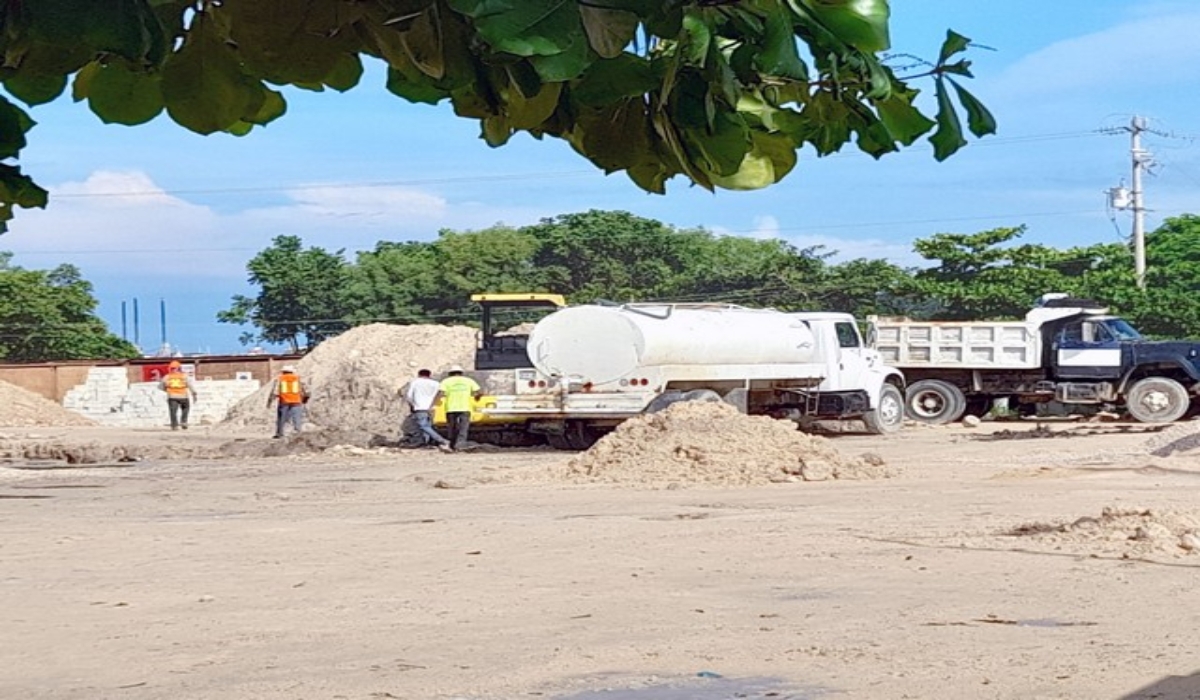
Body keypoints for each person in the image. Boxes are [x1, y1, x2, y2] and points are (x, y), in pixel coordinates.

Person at [401, 369, 452, 452]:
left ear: (419, 374)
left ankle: (442, 441)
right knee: (428, 426)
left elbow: (409, 396)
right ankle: (426, 443)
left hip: (420, 407)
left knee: (423, 426)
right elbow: (442, 394)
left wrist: (412, 405)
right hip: (433, 408)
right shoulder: (436, 383)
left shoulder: (415, 382)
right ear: (429, 375)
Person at [438, 364, 482, 451]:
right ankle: (460, 444)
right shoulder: (469, 381)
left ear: (450, 373)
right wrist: (476, 398)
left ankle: (452, 444)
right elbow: (478, 392)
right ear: (461, 373)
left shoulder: (446, 381)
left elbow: (441, 394)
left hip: (451, 407)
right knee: (463, 427)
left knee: (452, 427)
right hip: (465, 407)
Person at [268, 365, 309, 438]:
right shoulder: (298, 378)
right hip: (296, 400)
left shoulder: (280, 378)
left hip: (284, 400)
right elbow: (305, 389)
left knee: (282, 418)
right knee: (297, 418)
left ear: (283, 371)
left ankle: (280, 433)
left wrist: (270, 401)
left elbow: (275, 391)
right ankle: (298, 432)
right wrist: (305, 398)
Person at [159, 360, 197, 430]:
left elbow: (160, 386)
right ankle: (184, 422)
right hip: (183, 396)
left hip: (172, 396)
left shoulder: (167, 377)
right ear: (179, 368)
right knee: (186, 408)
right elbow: (190, 385)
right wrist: (194, 393)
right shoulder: (184, 376)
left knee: (173, 411)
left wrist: (167, 390)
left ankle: (174, 426)